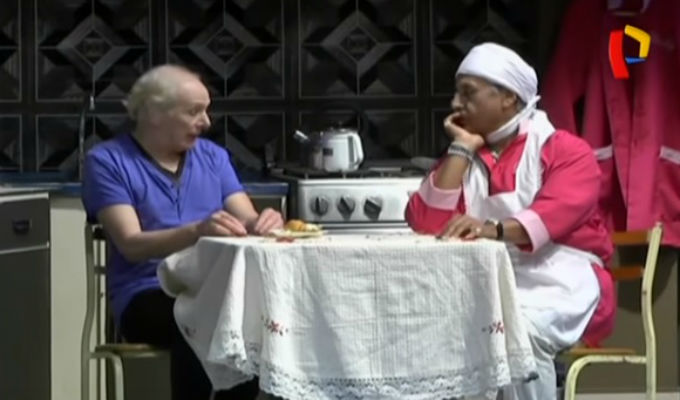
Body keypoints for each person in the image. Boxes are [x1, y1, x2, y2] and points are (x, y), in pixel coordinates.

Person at [405, 43, 616, 400]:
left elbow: (555, 213)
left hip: (562, 282)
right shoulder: (468, 158)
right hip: (494, 281)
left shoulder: (564, 150)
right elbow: (425, 222)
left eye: (468, 93)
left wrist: (490, 230)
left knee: (516, 331)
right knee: (443, 330)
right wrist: (462, 148)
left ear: (508, 97)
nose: (456, 103)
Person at [81, 64, 283, 400]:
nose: (206, 122)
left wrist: (265, 222)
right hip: (145, 294)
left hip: (216, 289)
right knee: (203, 318)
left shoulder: (214, 158)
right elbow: (131, 244)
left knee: (249, 317)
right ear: (154, 113)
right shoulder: (107, 161)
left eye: (206, 110)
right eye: (194, 112)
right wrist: (197, 231)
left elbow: (247, 218)